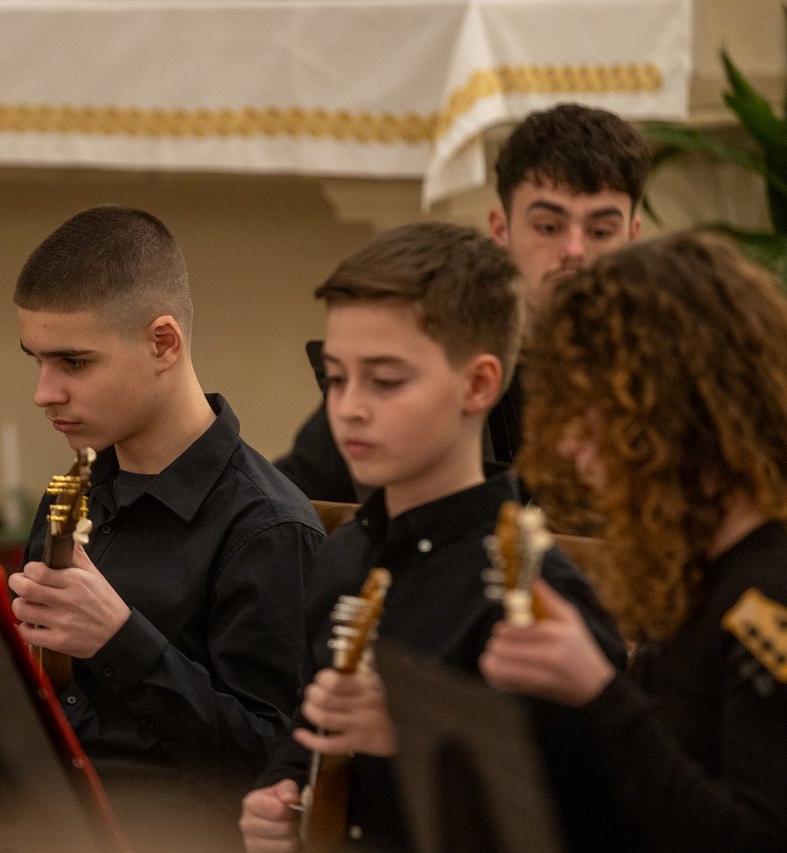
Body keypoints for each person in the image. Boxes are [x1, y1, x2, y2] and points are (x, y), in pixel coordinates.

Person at [0, 205, 325, 853]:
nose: (44, 392)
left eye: (73, 362)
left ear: (163, 343)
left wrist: (121, 640)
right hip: (27, 822)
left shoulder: (266, 527)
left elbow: (270, 771)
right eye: (37, 361)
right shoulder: (78, 488)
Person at [239, 221, 626, 852]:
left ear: (479, 385)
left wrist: (413, 739)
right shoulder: (343, 556)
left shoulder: (537, 597)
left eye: (386, 380)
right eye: (336, 377)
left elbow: (592, 817)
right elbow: (308, 729)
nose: (349, 407)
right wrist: (279, 793)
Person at [479, 231, 787, 852]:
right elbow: (647, 794)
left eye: (594, 408)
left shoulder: (770, 594)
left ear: (674, 407)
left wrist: (599, 692)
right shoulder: (688, 569)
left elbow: (755, 837)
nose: (570, 443)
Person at [273, 102, 652, 496]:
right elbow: (290, 501)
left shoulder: (662, 370)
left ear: (632, 236)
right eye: (548, 227)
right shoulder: (445, 354)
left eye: (600, 232)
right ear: (501, 229)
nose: (574, 250)